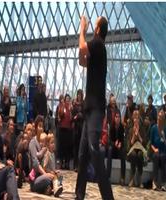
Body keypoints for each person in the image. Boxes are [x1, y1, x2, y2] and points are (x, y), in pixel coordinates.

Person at [75, 16, 114, 200]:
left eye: (94, 24)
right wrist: (81, 39)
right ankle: (79, 194)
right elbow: (83, 61)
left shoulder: (98, 43)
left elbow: (83, 48)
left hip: (96, 108)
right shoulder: (97, 49)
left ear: (97, 29)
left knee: (94, 149)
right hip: (90, 108)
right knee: (83, 154)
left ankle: (108, 196)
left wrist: (82, 29)